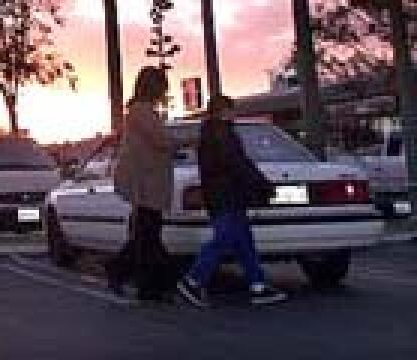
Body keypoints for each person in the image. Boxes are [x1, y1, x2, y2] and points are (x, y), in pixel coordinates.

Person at [176, 95, 288, 307]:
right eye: (230, 110)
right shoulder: (223, 134)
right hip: (228, 195)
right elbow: (238, 163)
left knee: (243, 241)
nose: (233, 114)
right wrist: (261, 184)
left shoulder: (209, 134)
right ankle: (193, 280)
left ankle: (257, 285)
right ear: (223, 111)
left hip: (220, 195)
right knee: (226, 238)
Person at [106, 66, 176, 301]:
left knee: (147, 234)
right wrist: (185, 139)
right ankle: (144, 280)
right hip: (145, 181)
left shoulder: (139, 112)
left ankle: (138, 277)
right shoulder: (141, 112)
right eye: (162, 86)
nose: (165, 90)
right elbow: (162, 140)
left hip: (146, 179)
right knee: (148, 233)